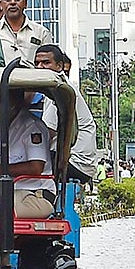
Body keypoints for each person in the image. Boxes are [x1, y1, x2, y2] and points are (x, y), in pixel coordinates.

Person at [34, 44, 98, 185]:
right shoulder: (58, 86)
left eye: (46, 63)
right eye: (37, 63)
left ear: (59, 66)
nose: (40, 67)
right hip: (79, 162)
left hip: (75, 162)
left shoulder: (58, 88)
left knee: (28, 162)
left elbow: (47, 133)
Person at [0, 90, 56, 218]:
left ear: (17, 100)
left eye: (1, 99)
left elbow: (36, 167)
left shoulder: (32, 126)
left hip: (33, 193)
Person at [0, 0, 53, 65]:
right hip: (1, 77)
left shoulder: (41, 33)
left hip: (32, 77)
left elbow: (49, 64)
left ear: (25, 4)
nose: (12, 2)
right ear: (1, 4)